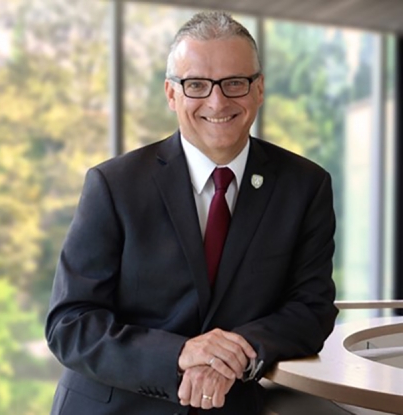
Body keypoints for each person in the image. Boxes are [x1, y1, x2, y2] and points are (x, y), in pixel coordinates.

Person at [45, 10, 338, 415]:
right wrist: (180, 353)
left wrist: (239, 351)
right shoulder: (114, 185)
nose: (217, 101)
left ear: (259, 90)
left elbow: (311, 308)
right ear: (171, 94)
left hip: (232, 405)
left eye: (235, 83)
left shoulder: (305, 186)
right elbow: (70, 323)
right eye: (196, 85)